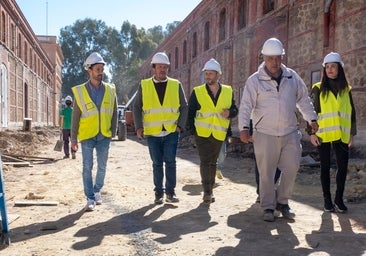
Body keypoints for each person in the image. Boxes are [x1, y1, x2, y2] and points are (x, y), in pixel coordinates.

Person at [238, 38, 318, 222]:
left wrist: (311, 118)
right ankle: (268, 206)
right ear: (263, 58)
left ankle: (282, 202)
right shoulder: (254, 80)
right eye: (270, 59)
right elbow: (245, 106)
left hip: (290, 132)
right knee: (266, 172)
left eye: (277, 58)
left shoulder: (292, 77)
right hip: (264, 133)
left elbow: (303, 100)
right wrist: (243, 128)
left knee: (292, 167)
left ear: (282, 57)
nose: (274, 63)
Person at [133, 52, 188, 204]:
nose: (163, 69)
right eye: (160, 67)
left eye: (165, 67)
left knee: (170, 162)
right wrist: (139, 127)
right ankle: (158, 193)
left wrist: (180, 126)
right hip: (152, 133)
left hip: (171, 131)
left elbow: (184, 106)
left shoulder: (176, 85)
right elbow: (136, 107)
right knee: (157, 164)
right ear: (154, 68)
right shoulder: (144, 85)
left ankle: (170, 193)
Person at [308, 52, 357, 213]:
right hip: (323, 134)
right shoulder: (317, 88)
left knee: (342, 168)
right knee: (325, 168)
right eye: (327, 67)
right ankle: (327, 200)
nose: (330, 70)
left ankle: (339, 199)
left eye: (333, 67)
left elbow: (352, 113)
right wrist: (311, 133)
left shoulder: (346, 90)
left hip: (342, 135)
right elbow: (311, 112)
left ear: (339, 69)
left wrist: (352, 133)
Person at [71, 52, 117, 212]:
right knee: (87, 167)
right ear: (89, 70)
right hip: (87, 135)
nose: (100, 72)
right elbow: (75, 117)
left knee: (102, 166)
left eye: (102, 69)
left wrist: (113, 131)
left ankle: (97, 190)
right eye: (97, 69)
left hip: (104, 134)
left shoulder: (111, 90)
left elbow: (114, 111)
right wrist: (73, 138)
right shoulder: (80, 92)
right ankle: (90, 197)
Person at [187, 58, 238, 204]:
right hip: (202, 134)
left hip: (218, 133)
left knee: (213, 162)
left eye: (210, 74)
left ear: (218, 75)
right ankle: (207, 191)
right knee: (205, 161)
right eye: (206, 74)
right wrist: (193, 132)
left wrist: (230, 112)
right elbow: (190, 113)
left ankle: (210, 189)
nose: (208, 76)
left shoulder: (228, 91)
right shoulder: (198, 92)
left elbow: (235, 109)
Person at [59, 95, 76, 159]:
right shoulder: (73, 111)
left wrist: (60, 127)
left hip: (65, 128)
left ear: (65, 103)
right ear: (71, 103)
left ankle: (67, 154)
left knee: (66, 141)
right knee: (73, 141)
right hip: (72, 128)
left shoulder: (63, 111)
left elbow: (61, 120)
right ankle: (73, 152)